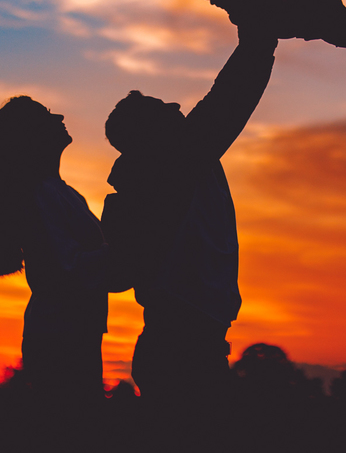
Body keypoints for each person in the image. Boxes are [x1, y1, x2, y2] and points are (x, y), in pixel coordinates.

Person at [101, 24, 277, 402]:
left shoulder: (181, 164)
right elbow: (228, 100)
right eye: (160, 106)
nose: (176, 106)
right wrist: (258, 36)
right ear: (150, 135)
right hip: (182, 349)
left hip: (184, 344)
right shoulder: (173, 165)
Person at [0, 96, 107, 398]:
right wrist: (125, 252)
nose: (59, 116)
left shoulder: (57, 192)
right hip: (62, 337)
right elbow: (67, 268)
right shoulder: (42, 195)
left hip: (74, 333)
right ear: (30, 137)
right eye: (47, 115)